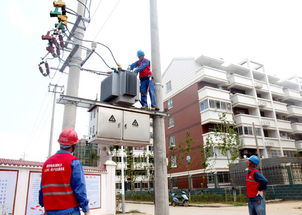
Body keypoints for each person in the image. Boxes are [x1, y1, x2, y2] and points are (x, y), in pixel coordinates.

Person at [39, 128, 90, 215]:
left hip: (49, 210)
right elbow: (79, 188)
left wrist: (44, 205)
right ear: (74, 145)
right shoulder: (74, 162)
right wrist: (86, 209)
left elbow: (42, 188)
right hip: (69, 211)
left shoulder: (46, 163)